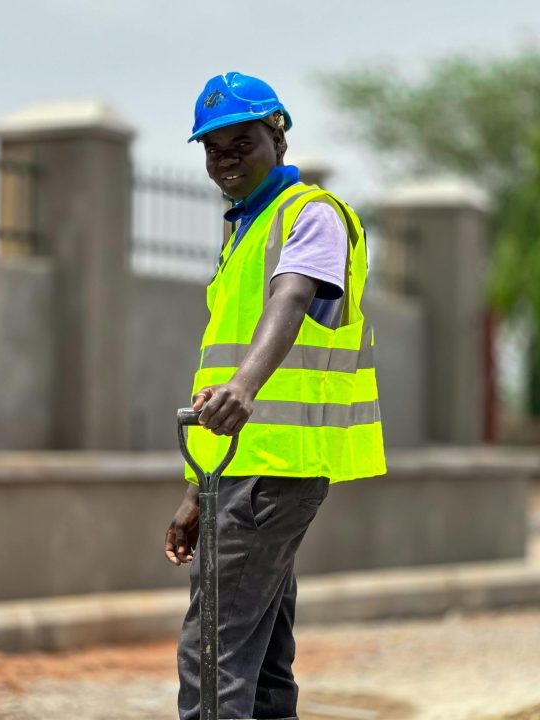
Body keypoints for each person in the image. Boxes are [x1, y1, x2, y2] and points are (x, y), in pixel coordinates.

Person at [164, 71, 386, 720]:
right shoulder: (244, 232)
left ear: (278, 138)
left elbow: (291, 300)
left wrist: (245, 385)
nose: (225, 160)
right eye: (212, 148)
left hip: (276, 467)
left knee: (212, 653)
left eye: (242, 142)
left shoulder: (310, 215)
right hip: (235, 468)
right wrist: (195, 491)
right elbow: (222, 367)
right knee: (258, 657)